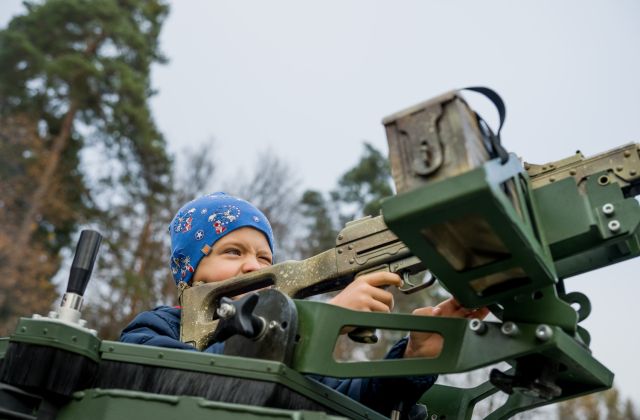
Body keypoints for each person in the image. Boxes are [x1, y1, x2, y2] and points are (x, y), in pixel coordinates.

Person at [120, 192, 488, 416]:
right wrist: (322, 320)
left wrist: (414, 358)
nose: (253, 265)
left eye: (266, 259)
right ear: (190, 273)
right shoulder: (155, 330)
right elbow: (191, 382)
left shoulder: (299, 350)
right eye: (232, 252)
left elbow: (348, 403)